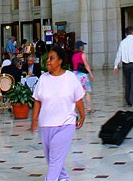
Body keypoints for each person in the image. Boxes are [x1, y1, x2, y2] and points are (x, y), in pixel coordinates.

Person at [29, 45, 86, 181]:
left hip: (66, 124)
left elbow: (78, 99)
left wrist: (82, 116)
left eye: (52, 58)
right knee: (52, 159)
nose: (48, 61)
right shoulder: (43, 79)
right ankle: (64, 178)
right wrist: (34, 120)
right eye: (48, 58)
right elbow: (37, 100)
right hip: (46, 125)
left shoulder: (70, 78)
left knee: (55, 158)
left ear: (60, 61)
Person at [113, 26, 133, 109]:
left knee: (127, 82)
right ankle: (132, 101)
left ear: (126, 34)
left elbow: (119, 54)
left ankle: (127, 100)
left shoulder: (122, 42)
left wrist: (116, 65)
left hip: (126, 65)